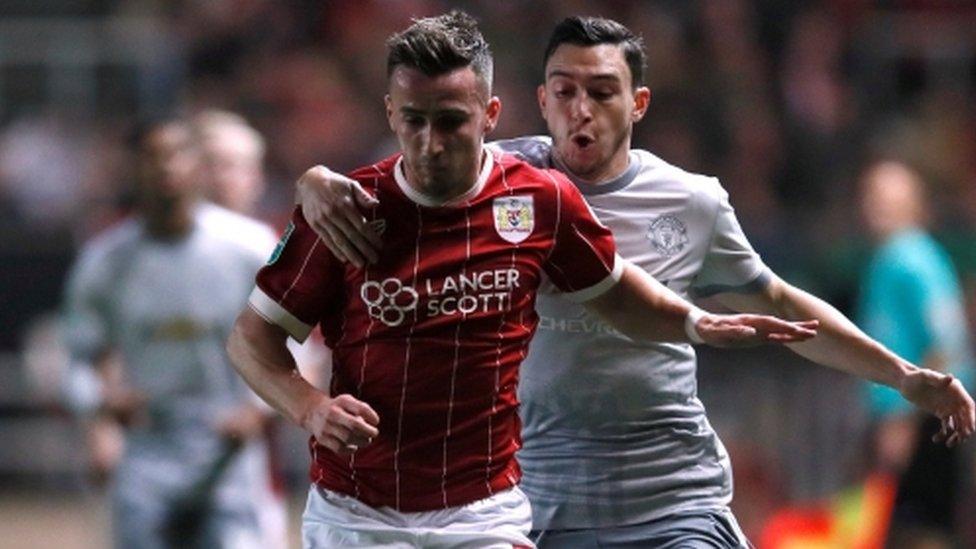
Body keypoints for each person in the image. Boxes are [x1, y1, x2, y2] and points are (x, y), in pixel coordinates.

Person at [293, 15, 976, 547]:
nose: (580, 109)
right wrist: (317, 182)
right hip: (531, 499)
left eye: (601, 91)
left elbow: (779, 303)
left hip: (669, 494)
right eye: (564, 91)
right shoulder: (491, 182)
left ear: (638, 102)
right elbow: (403, 172)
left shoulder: (691, 202)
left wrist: (900, 374)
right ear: (538, 99)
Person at [225, 11, 818, 548]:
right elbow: (251, 341)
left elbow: (615, 294)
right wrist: (309, 408)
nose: (430, 144)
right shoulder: (347, 209)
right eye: (414, 121)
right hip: (357, 513)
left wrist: (693, 322)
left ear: (490, 115)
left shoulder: (538, 201)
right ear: (390, 113)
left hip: (485, 514)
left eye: (451, 123)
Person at [61, 117, 286, 549]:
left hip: (228, 460)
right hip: (147, 458)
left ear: (198, 166)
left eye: (177, 154)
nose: (166, 167)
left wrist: (257, 409)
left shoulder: (248, 248)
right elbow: (79, 360)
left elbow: (297, 345)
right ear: (131, 168)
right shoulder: (104, 262)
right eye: (151, 156)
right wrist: (101, 405)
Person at [858, 159, 975, 547]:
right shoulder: (894, 258)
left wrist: (905, 417)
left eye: (889, 199)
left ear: (915, 204)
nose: (878, 207)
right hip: (918, 419)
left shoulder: (912, 258)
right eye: (872, 197)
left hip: (924, 423)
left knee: (921, 531)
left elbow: (946, 341)